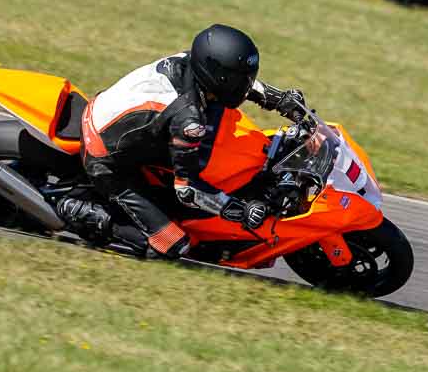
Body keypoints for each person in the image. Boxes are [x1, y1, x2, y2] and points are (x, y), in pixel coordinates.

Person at [57, 24, 305, 259]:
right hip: (104, 159)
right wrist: (239, 211)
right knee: (173, 244)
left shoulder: (191, 62)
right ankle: (74, 209)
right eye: (240, 78)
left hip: (119, 119)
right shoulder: (188, 119)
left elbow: (237, 84)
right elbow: (188, 190)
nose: (246, 84)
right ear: (218, 75)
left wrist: (278, 98)